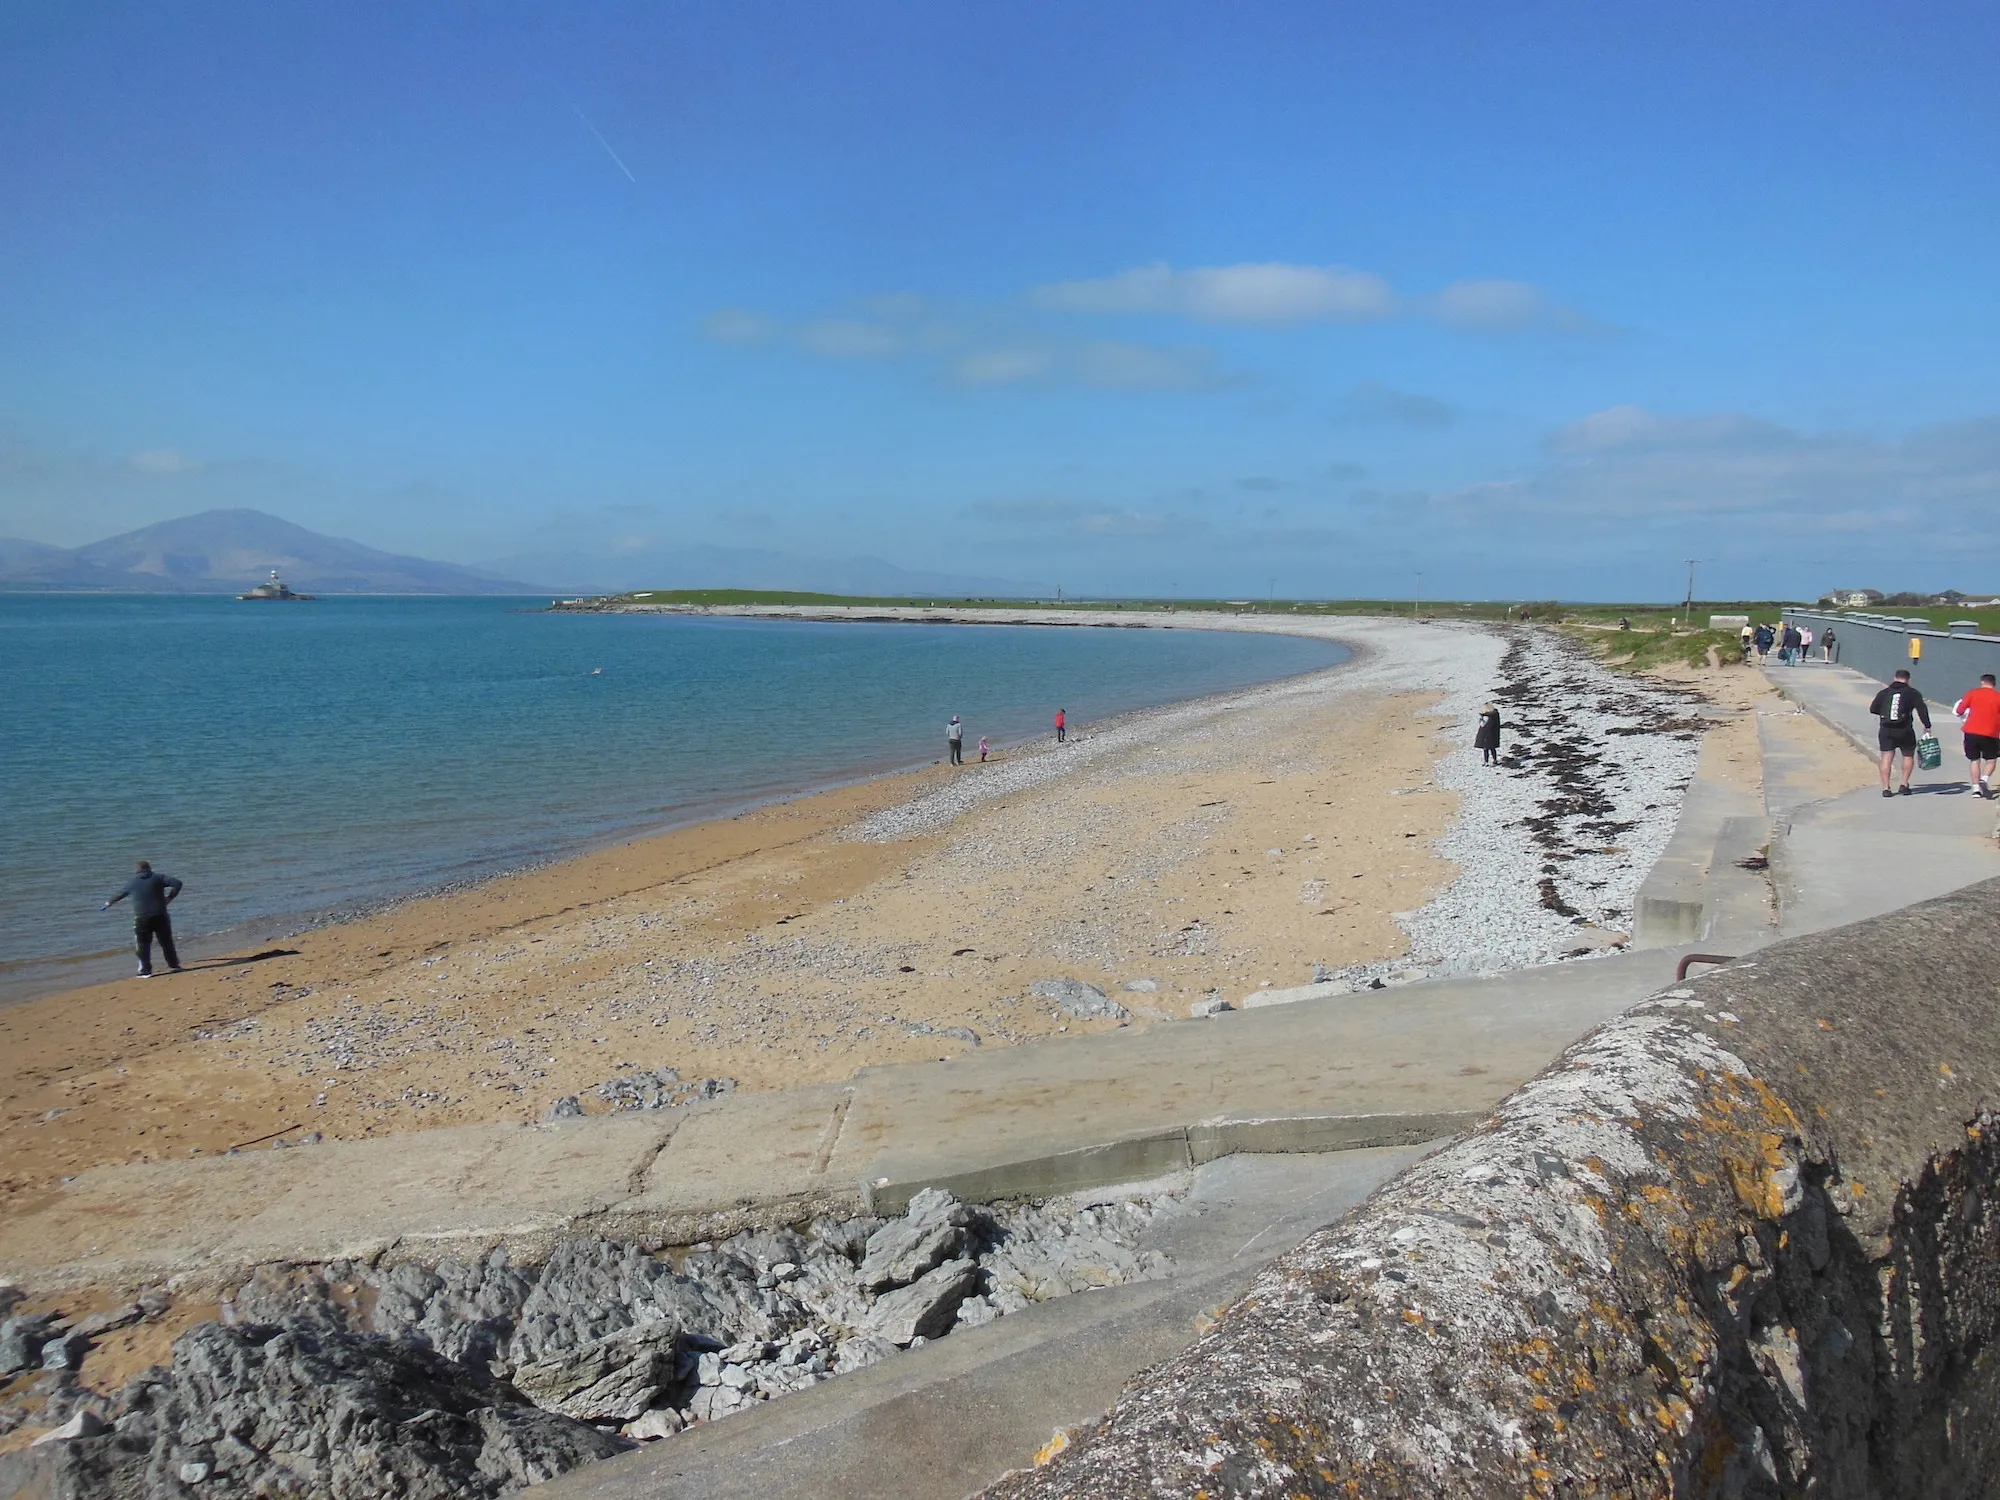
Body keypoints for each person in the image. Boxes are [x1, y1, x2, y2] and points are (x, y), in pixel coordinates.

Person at [102, 860, 184, 977]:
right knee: (166, 942)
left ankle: (146, 970)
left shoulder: (132, 882)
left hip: (142, 918)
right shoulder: (158, 878)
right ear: (149, 869)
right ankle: (174, 965)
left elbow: (120, 894)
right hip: (160, 915)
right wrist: (170, 898)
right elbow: (177, 883)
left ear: (136, 870)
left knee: (142, 944)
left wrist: (108, 902)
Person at [1869, 669, 1932, 798]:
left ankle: (1886, 788)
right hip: (1905, 729)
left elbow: (1873, 709)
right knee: (1908, 756)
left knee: (1887, 757)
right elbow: (1922, 710)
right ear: (1908, 680)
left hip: (1886, 729)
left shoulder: (1884, 692)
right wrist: (1927, 726)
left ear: (1894, 678)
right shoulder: (1912, 693)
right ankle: (1904, 784)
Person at [1954, 672, 2000, 799]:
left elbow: (1959, 710)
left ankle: (1976, 789)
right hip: (1991, 733)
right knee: (1991, 760)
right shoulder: (1998, 697)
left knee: (1974, 760)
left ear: (1982, 682)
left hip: (1971, 731)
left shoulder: (1972, 693)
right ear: (1994, 684)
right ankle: (1984, 779)